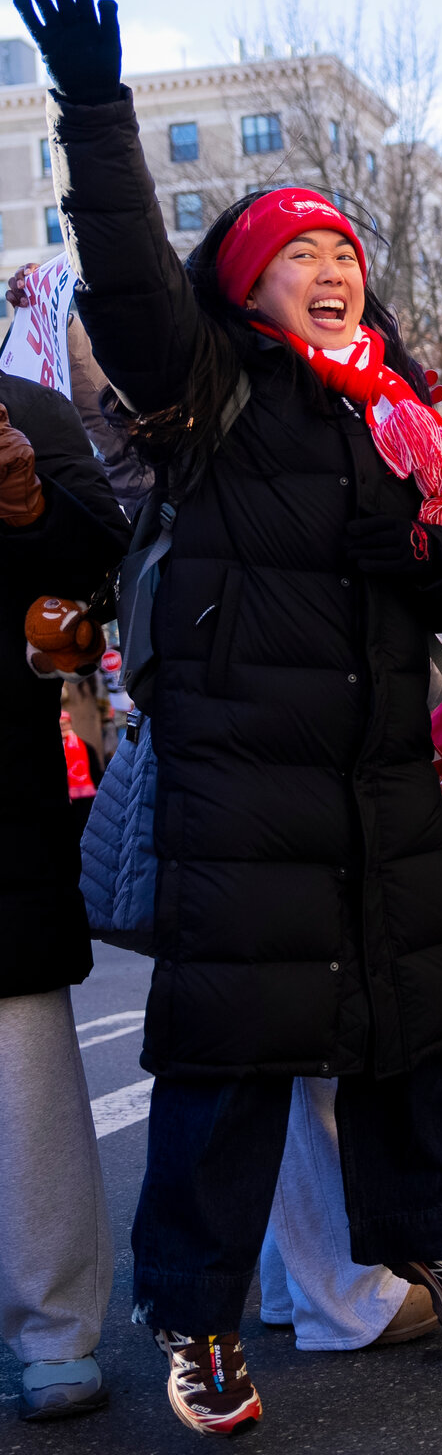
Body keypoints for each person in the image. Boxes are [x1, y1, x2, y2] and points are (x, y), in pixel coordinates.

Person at [15, 0, 442, 1436]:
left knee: (416, 1032)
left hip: (380, 782)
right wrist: (99, 110)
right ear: (245, 287)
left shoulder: (402, 410)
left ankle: (439, 1236)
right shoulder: (215, 391)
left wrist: (422, 545)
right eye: (302, 251)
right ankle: (197, 1317)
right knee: (231, 1060)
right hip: (246, 786)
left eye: (343, 250)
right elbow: (123, 269)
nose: (335, 266)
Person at [0, 379, 130, 1423]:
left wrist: (28, 505)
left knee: (22, 1081)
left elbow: (99, 569)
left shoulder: (20, 411)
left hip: (1, 805)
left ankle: (51, 1329)